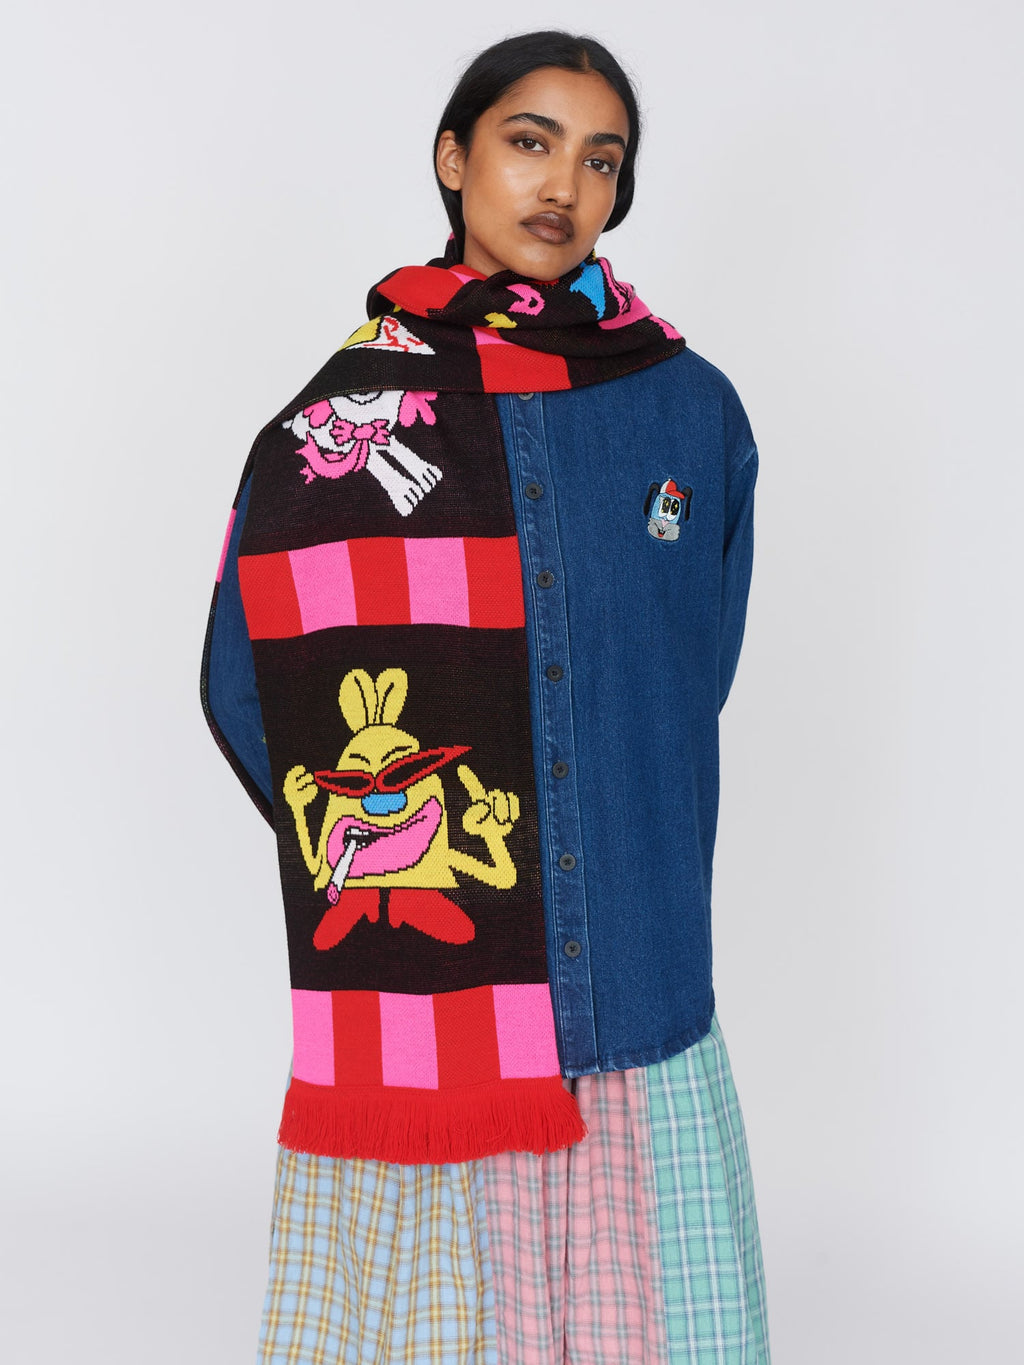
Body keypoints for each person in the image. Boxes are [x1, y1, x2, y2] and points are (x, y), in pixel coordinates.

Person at [202, 28, 771, 1365]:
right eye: (529, 141)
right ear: (454, 159)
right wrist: (411, 845)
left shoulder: (692, 411)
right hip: (438, 999)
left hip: (635, 951)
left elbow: (697, 667)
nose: (563, 184)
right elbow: (246, 682)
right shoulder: (336, 433)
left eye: (601, 159)